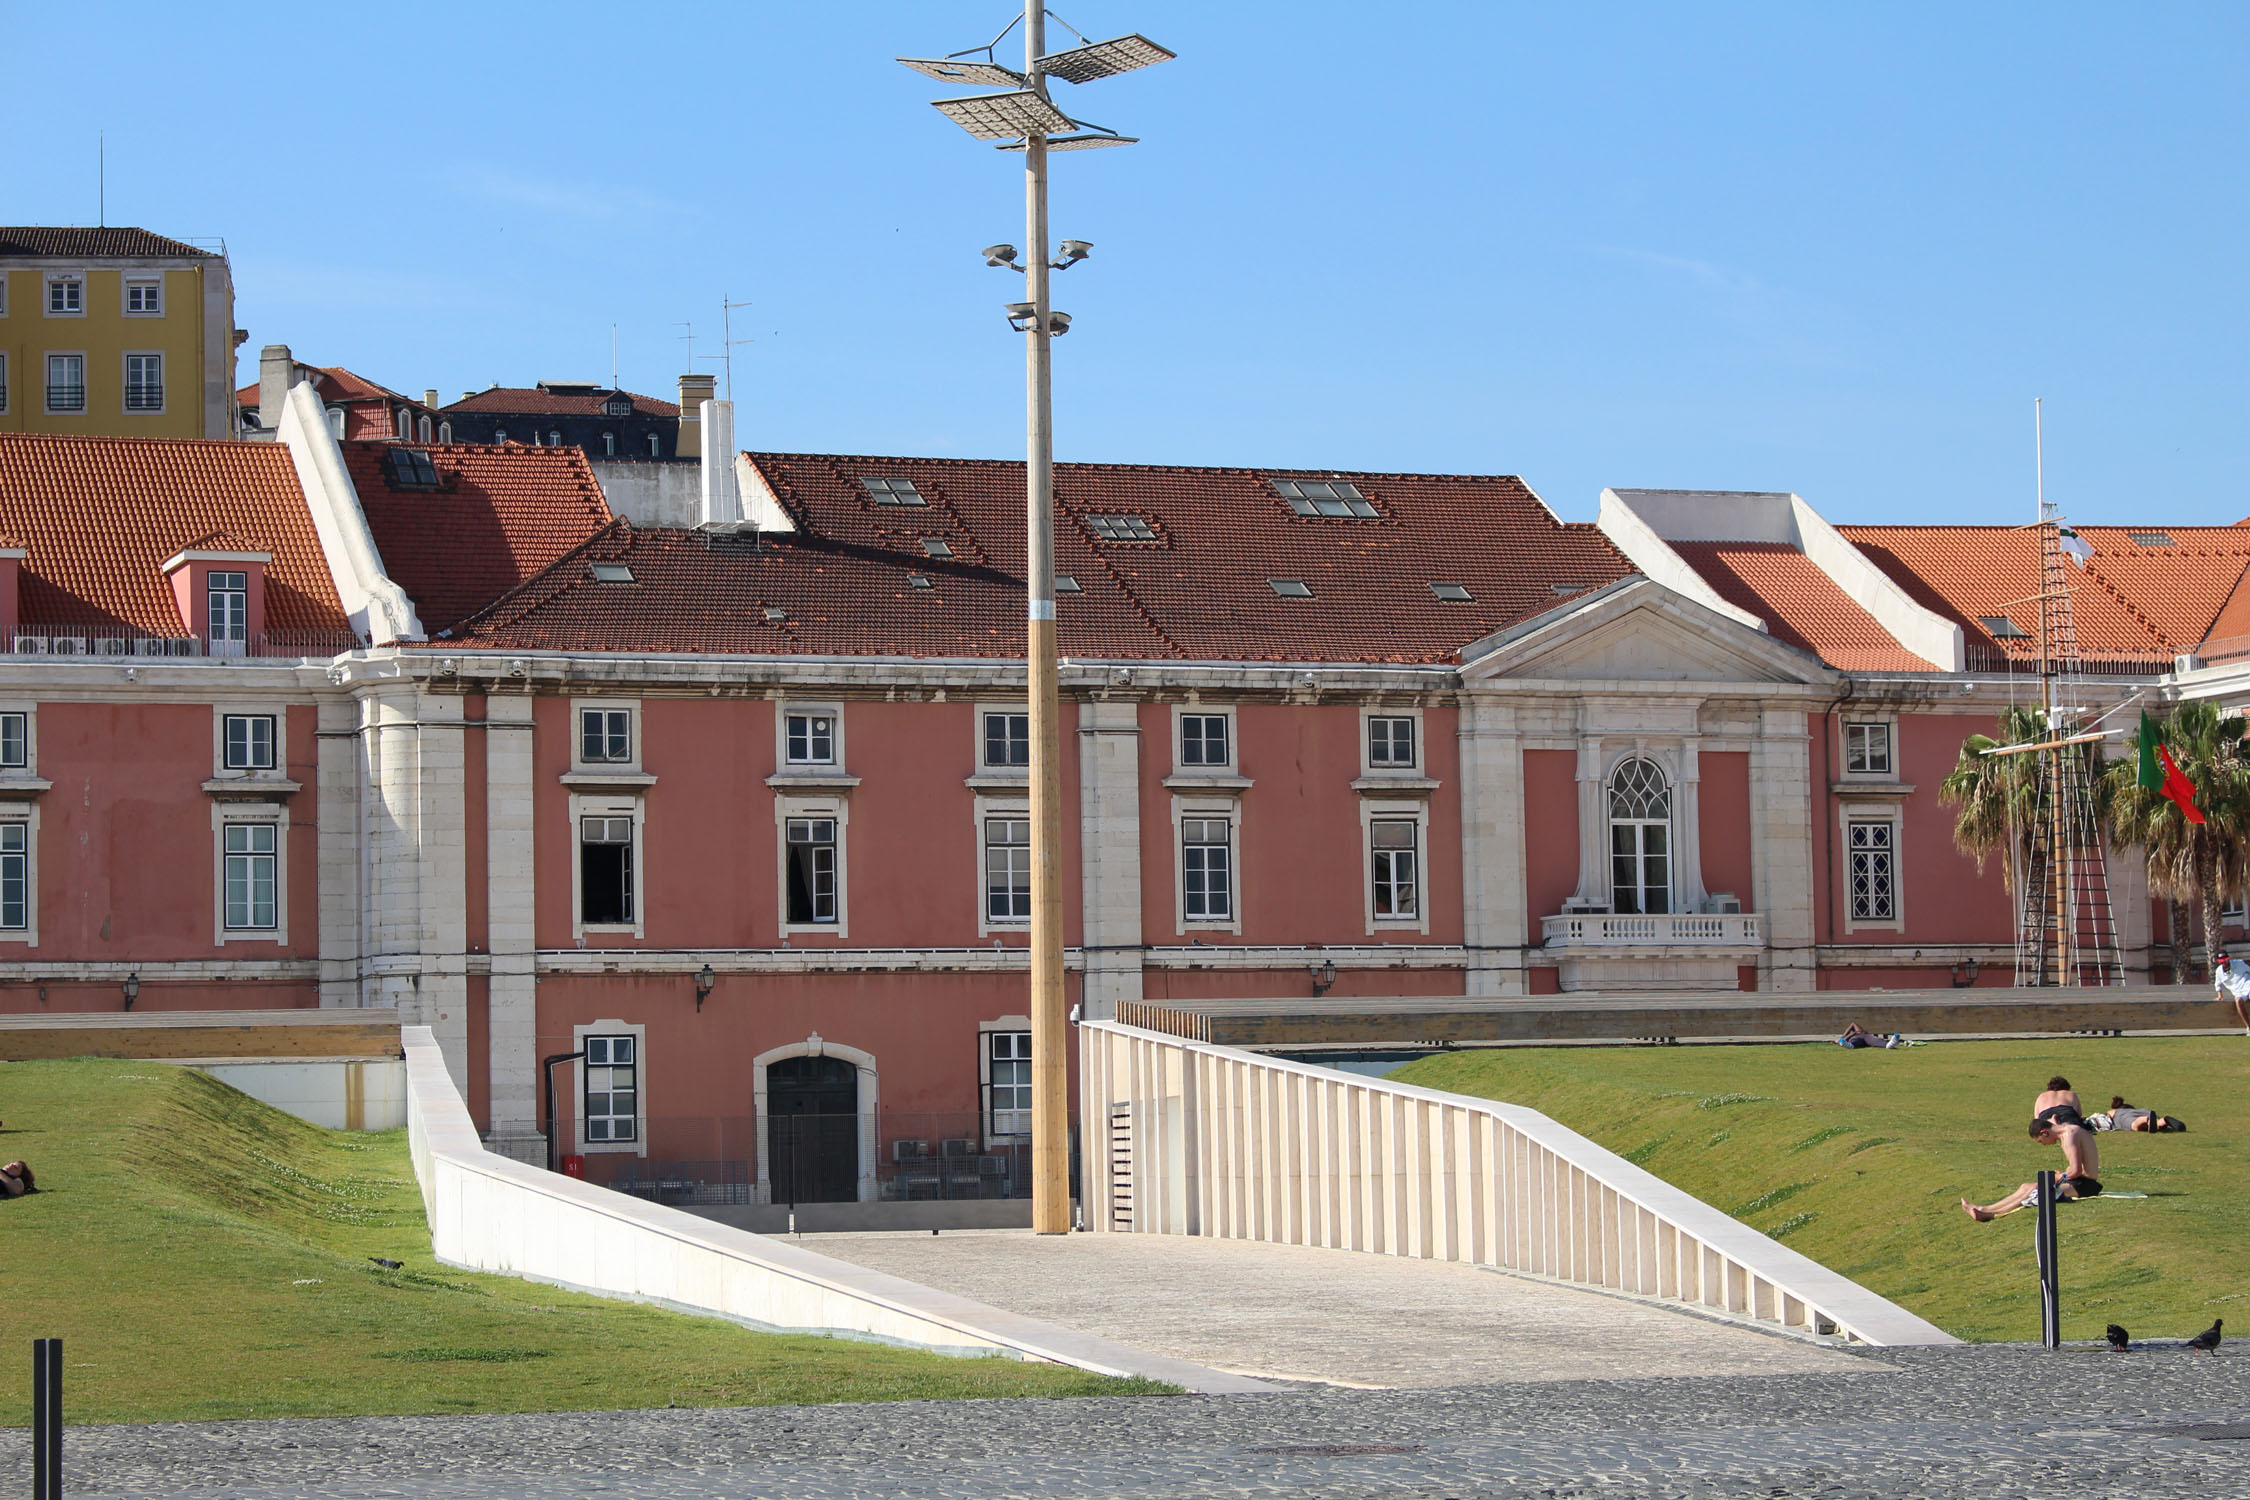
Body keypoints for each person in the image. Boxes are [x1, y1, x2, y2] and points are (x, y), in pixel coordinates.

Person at [1962, 1111, 2100, 1220]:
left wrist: (2058, 1176)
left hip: (2085, 1185)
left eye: (2041, 1141)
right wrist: (2061, 1174)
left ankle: (1990, 1214)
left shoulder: (2069, 1135)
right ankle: (1984, 1209)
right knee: (2025, 1186)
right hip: (2078, 1181)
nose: (2044, 1145)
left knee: (2035, 1188)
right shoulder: (2065, 1131)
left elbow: (2075, 1170)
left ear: (2044, 1133)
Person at [2216, 950, 2250, 1036]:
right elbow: (2218, 984)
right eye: (2221, 961)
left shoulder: (2239, 963)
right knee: (2238, 1001)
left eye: (2225, 959)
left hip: (2248, 984)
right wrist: (2220, 995)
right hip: (2238, 992)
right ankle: (2249, 1027)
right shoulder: (2219, 971)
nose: (2224, 962)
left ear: (2228, 958)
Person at [1837, 1022, 1903, 1049]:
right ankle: (1849, 1046)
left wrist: (1844, 1035)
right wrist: (1852, 1034)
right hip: (1855, 1039)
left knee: (1874, 1040)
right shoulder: (1845, 1038)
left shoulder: (1860, 1032)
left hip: (1866, 1036)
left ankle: (1889, 1044)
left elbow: (1853, 1024)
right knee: (1854, 1042)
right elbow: (1842, 1040)